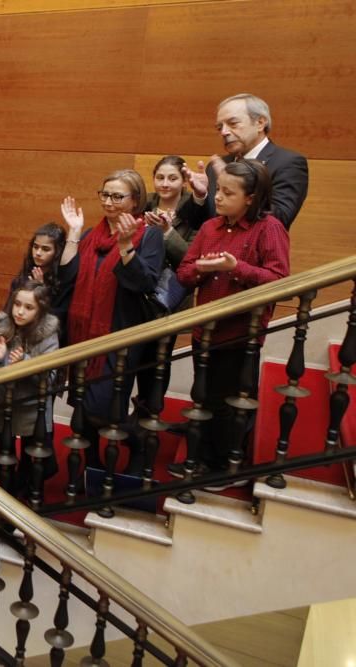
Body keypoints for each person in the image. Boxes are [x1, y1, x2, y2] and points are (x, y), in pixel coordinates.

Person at [170, 160, 290, 485]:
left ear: (250, 198)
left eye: (227, 192)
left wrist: (236, 268)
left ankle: (222, 467)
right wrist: (203, 270)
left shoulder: (268, 228)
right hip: (204, 329)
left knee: (225, 403)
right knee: (205, 397)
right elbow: (184, 272)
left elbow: (279, 280)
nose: (218, 197)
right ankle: (204, 460)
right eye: (218, 190)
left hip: (239, 334)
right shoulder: (210, 227)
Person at [60, 169, 163, 472]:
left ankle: (138, 441)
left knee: (102, 406)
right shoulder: (92, 235)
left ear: (135, 201)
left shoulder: (149, 233)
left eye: (117, 196)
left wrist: (127, 246)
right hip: (82, 335)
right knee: (81, 406)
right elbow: (67, 278)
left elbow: (146, 283)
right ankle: (91, 467)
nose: (108, 202)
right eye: (104, 194)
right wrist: (74, 233)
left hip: (117, 337)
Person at [134, 155, 209, 415]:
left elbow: (192, 258)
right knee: (135, 354)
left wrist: (166, 233)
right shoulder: (145, 204)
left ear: (183, 182)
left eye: (172, 178)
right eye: (160, 177)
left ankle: (150, 408)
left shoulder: (196, 209)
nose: (165, 184)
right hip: (140, 293)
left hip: (171, 297)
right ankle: (134, 408)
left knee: (159, 357)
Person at [0, 281, 60, 498]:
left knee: (31, 458)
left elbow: (50, 378)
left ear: (40, 310)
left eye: (29, 307)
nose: (20, 311)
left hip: (30, 410)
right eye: (17, 304)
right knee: (4, 457)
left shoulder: (48, 334)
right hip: (0, 405)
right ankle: (5, 500)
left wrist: (26, 362)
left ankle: (27, 498)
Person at [203, 93, 308, 229]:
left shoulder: (288, 163)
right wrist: (199, 197)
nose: (224, 132)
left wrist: (234, 181)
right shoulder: (215, 166)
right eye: (219, 127)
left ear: (260, 123)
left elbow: (280, 218)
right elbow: (203, 221)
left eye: (233, 124)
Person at [7, 223, 73, 340]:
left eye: (45, 249)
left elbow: (57, 320)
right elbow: (9, 310)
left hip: (45, 341)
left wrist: (41, 291)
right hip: (16, 337)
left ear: (57, 252)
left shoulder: (62, 281)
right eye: (35, 247)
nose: (38, 253)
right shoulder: (21, 278)